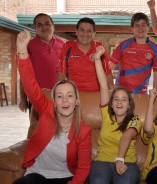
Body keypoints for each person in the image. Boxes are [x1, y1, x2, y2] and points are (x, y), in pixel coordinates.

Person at [14, 30, 91, 184]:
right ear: (54, 101)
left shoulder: (84, 130)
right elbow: (30, 87)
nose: (65, 100)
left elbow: (83, 168)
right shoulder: (46, 110)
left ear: (76, 101)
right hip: (38, 174)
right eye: (59, 96)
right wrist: (22, 51)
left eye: (70, 95)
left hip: (65, 176)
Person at [88, 45, 142, 184]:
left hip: (127, 163)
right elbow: (103, 85)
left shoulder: (135, 120)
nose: (119, 102)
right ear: (111, 103)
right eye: (116, 99)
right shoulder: (106, 114)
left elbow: (127, 136)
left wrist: (120, 159)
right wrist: (97, 59)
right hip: (102, 162)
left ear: (129, 104)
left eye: (124, 99)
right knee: (98, 182)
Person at [19, 13, 65, 114]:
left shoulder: (63, 44)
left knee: (60, 128)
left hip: (61, 97)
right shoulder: (28, 46)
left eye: (47, 24)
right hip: (37, 98)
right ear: (35, 28)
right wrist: (23, 99)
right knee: (39, 128)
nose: (44, 27)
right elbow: (23, 75)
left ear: (53, 26)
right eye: (39, 25)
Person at [109, 12, 157, 94]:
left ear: (148, 27)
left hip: (142, 94)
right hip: (121, 93)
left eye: (143, 25)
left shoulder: (155, 49)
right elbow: (110, 67)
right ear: (132, 28)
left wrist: (155, 90)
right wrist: (110, 86)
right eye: (136, 25)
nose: (140, 28)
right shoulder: (123, 45)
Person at [57, 17, 113, 92]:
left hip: (96, 95)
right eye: (82, 30)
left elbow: (107, 72)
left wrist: (110, 93)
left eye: (89, 31)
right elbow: (61, 73)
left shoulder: (100, 47)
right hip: (73, 96)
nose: (85, 34)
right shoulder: (67, 46)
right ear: (76, 32)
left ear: (94, 34)